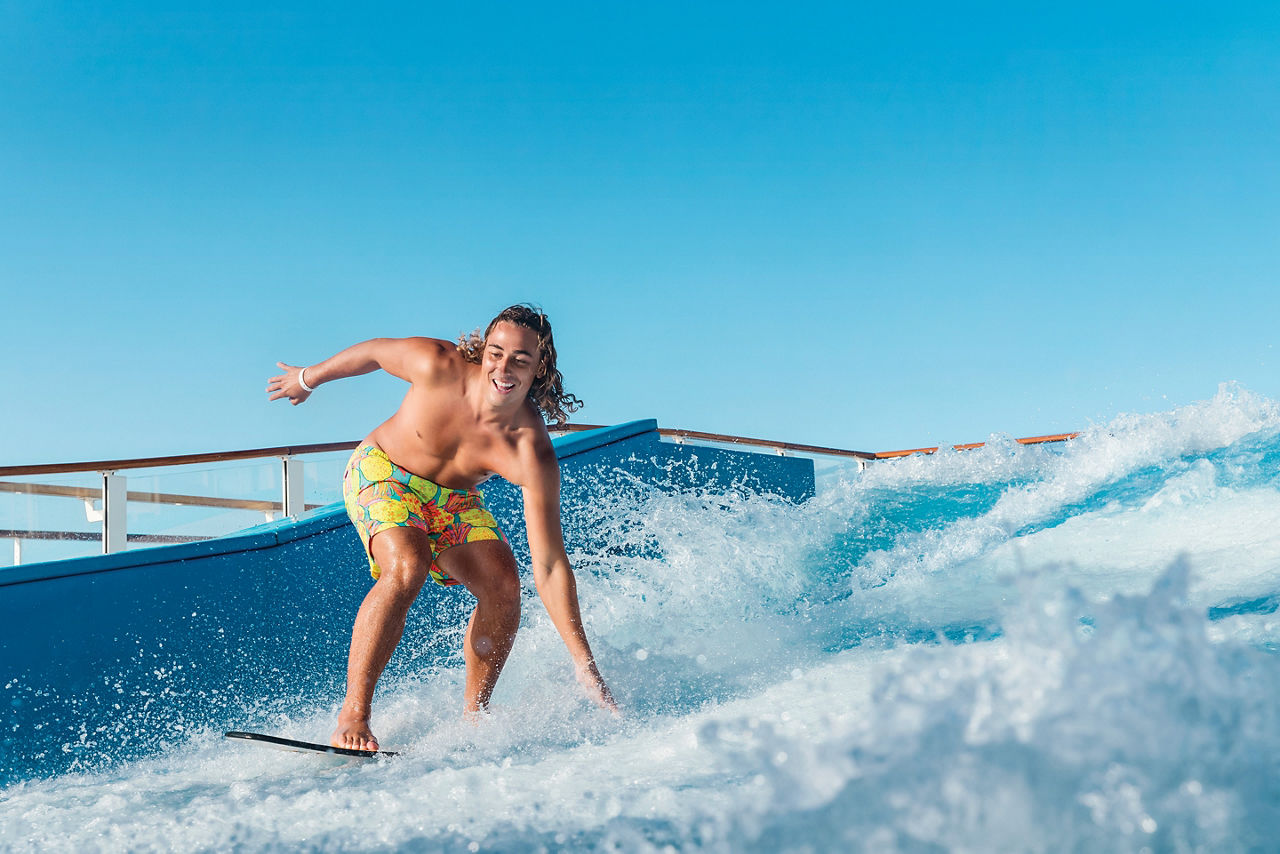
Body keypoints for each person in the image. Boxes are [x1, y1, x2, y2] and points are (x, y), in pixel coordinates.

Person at [267, 305, 617, 751]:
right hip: (384, 470)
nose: (503, 368)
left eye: (520, 360)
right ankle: (354, 714)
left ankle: (475, 720)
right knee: (407, 565)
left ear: (540, 366)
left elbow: (548, 565)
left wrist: (583, 664)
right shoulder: (438, 365)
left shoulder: (531, 451)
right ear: (484, 350)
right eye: (496, 353)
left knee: (504, 586)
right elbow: (374, 353)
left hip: (454, 500)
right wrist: (307, 377)